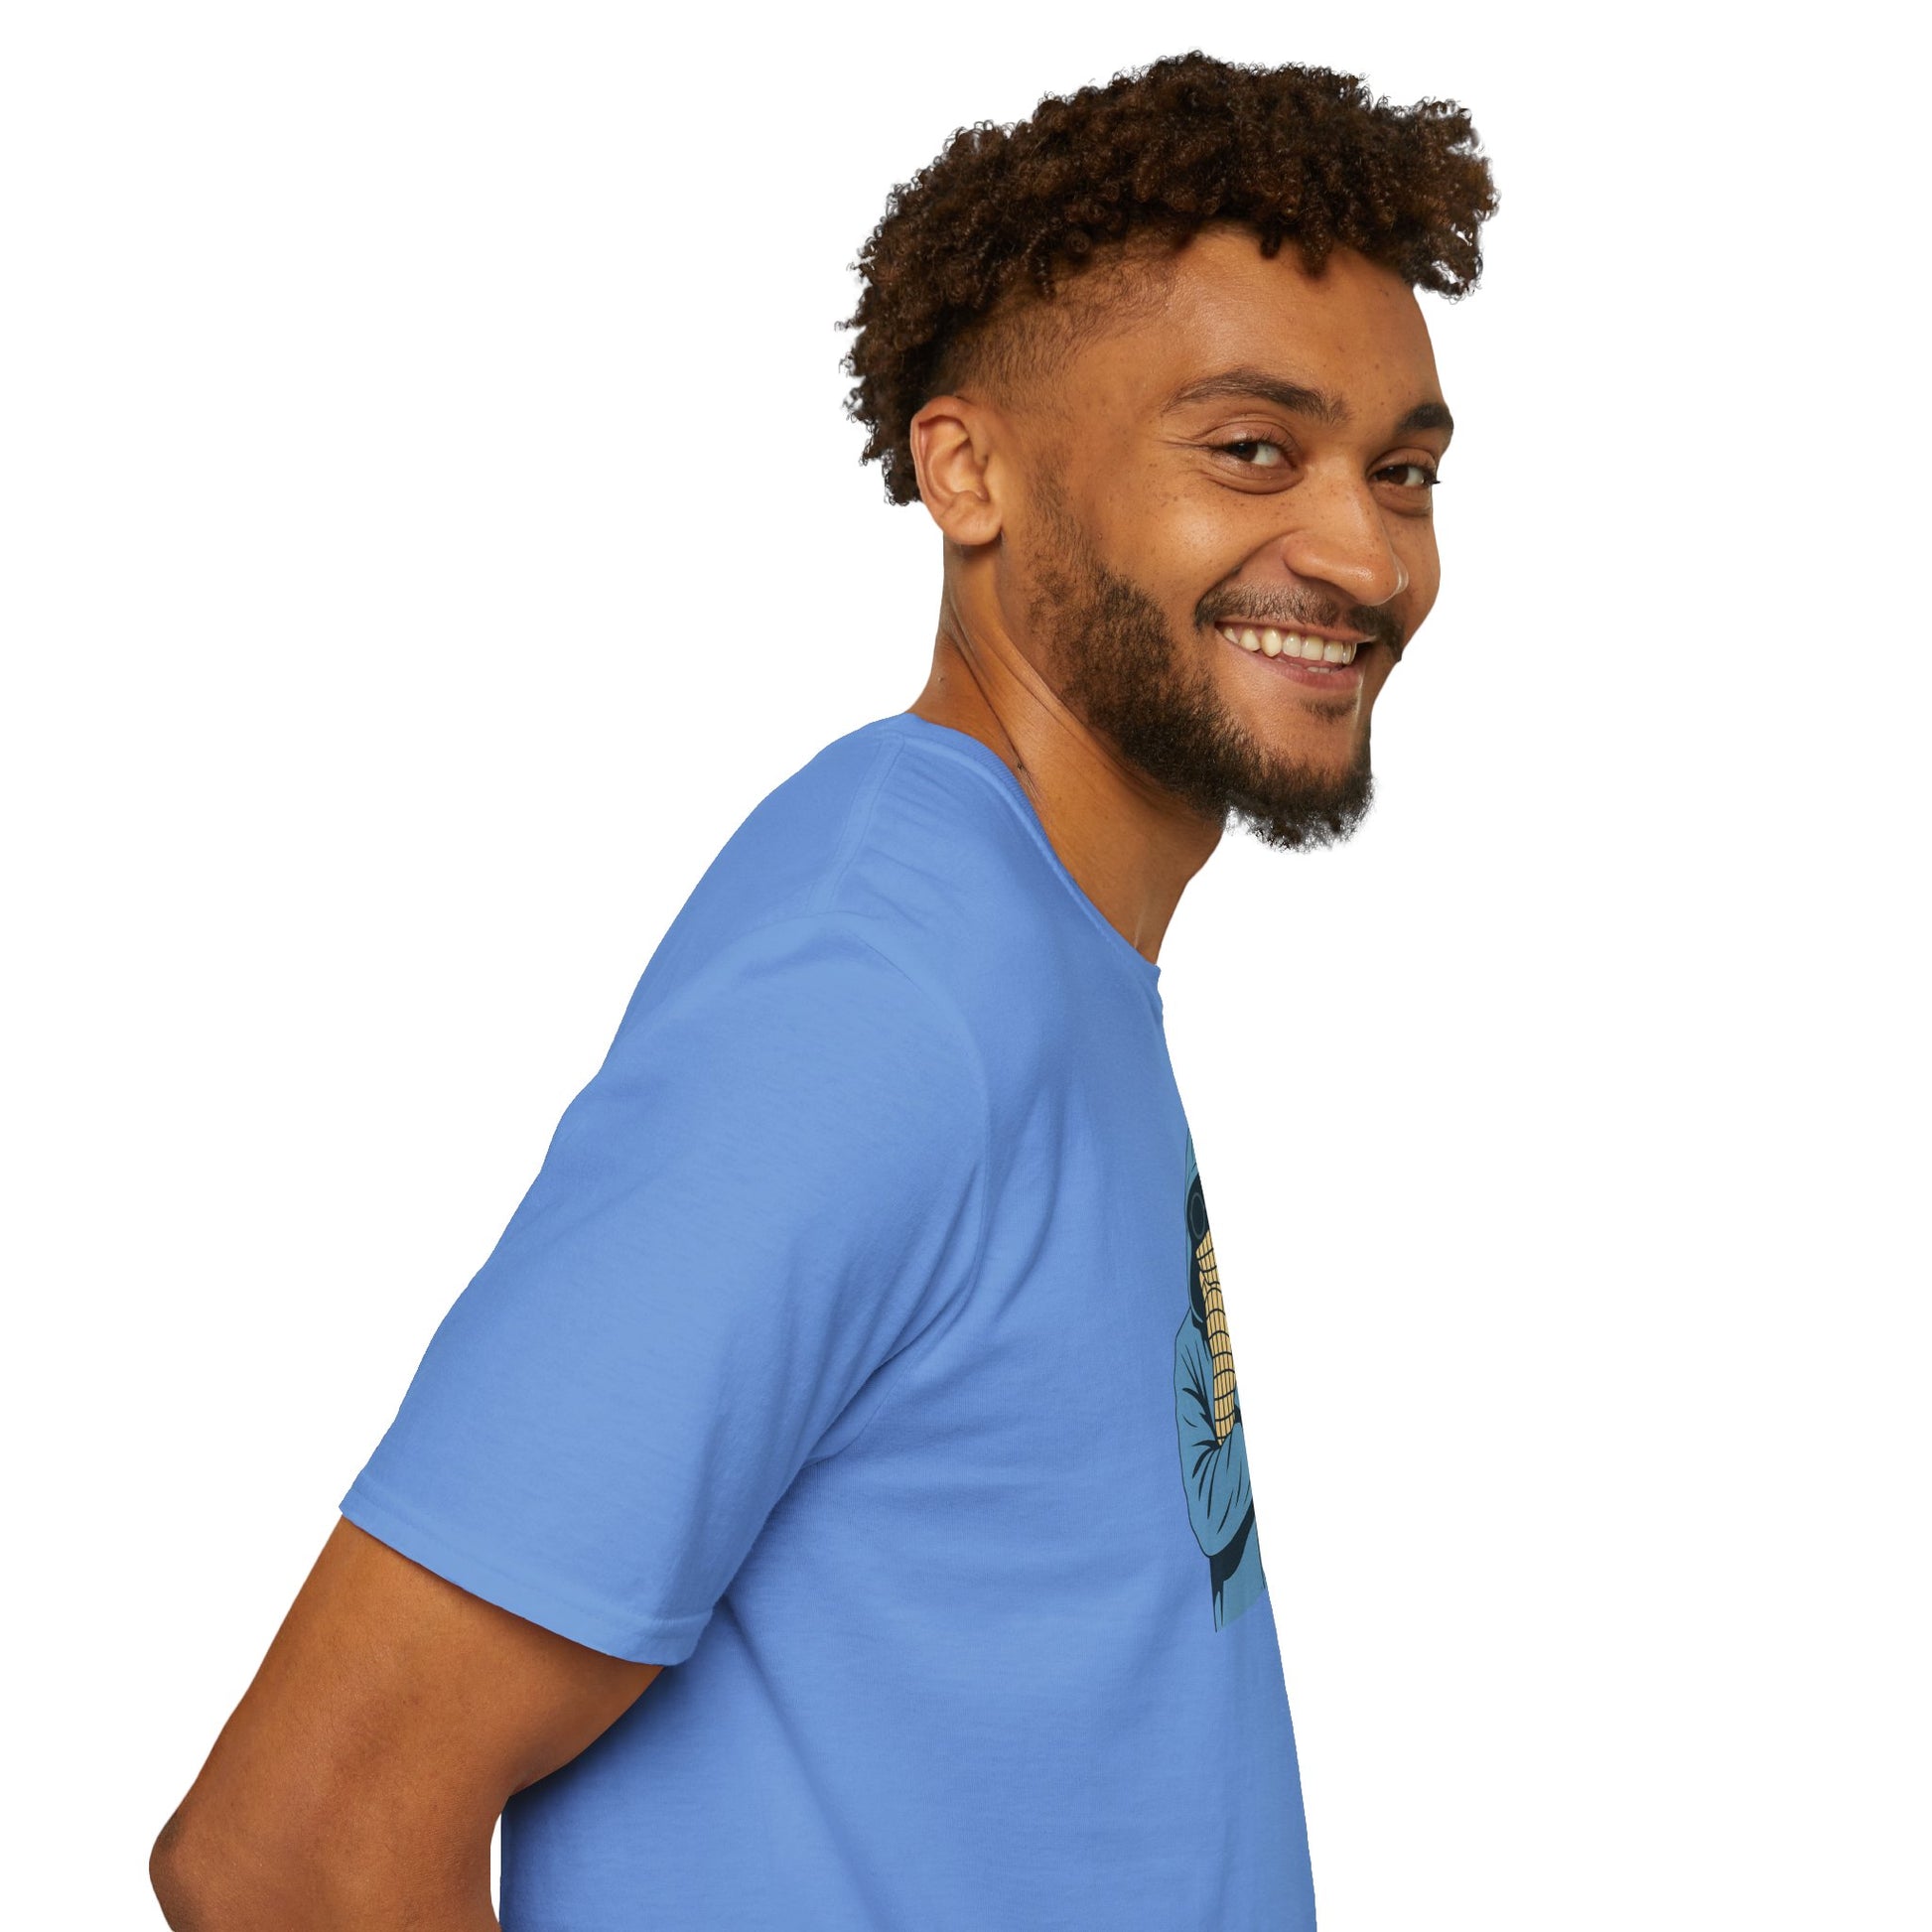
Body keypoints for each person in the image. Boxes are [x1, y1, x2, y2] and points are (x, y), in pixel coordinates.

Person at [151, 50, 1498, 1932]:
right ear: (969, 470)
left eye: (1404, 471)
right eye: (1250, 450)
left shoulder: (1030, 947)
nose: (1363, 551)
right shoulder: (878, 985)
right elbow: (294, 1845)